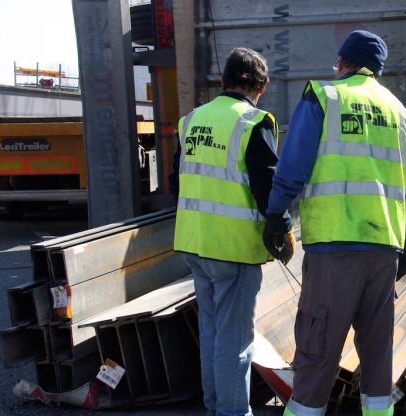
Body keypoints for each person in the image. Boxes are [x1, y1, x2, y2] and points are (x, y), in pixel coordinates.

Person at [263, 30, 406, 416]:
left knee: (317, 356)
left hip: (335, 249)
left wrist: (274, 215)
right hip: (384, 250)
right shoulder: (401, 114)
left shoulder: (324, 96)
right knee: (377, 357)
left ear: (342, 62)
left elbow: (291, 170)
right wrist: (404, 244)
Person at [172, 47, 292, 416]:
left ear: (222, 81)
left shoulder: (190, 120)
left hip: (195, 244)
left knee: (213, 338)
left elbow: (180, 177)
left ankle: (216, 409)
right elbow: (267, 187)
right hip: (233, 251)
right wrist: (282, 227)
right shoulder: (253, 121)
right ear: (262, 85)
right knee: (235, 343)